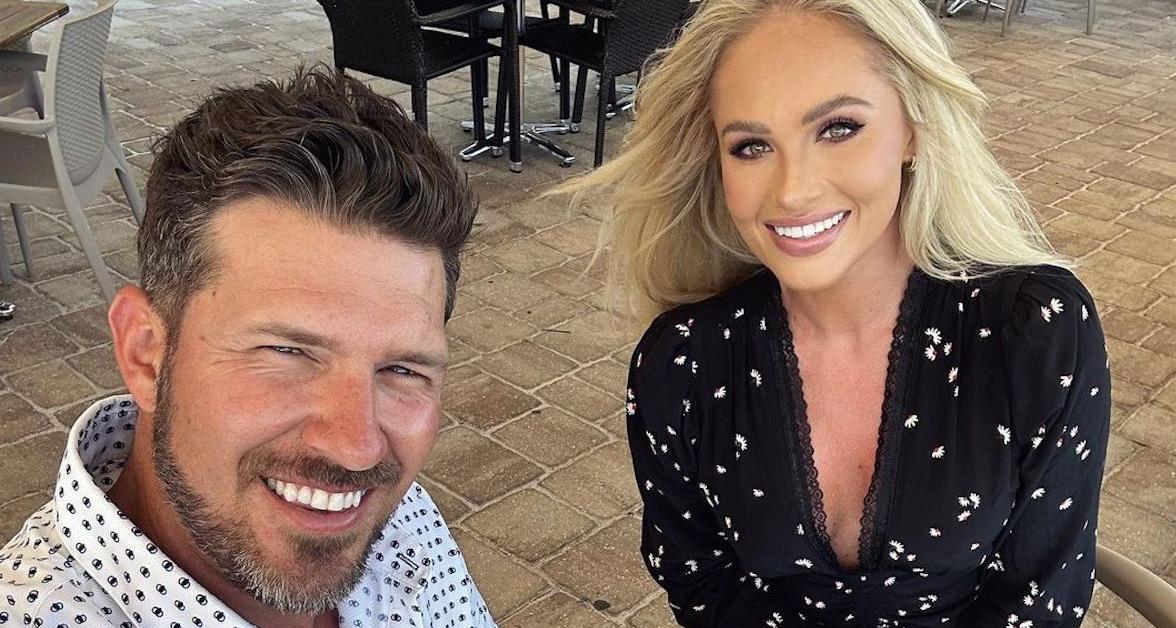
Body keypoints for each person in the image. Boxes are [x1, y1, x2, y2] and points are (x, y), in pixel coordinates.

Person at [560, 0, 1111, 625]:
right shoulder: (684, 363)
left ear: (913, 128)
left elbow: (1038, 604)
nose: (792, 190)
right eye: (751, 146)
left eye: (839, 128)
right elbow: (702, 584)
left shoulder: (1034, 334)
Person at [0, 67, 495, 628]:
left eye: (402, 369)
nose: (357, 449)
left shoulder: (405, 520)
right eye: (285, 352)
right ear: (145, 353)